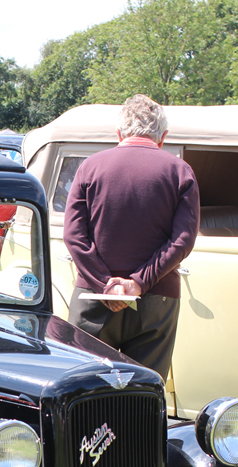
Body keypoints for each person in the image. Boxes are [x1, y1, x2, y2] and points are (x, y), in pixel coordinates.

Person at [63, 94, 199, 377]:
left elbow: (74, 235)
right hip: (156, 299)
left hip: (93, 296)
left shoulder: (90, 167)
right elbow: (182, 240)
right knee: (144, 388)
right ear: (162, 137)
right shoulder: (179, 171)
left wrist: (105, 284)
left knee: (83, 386)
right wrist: (139, 282)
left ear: (119, 133)